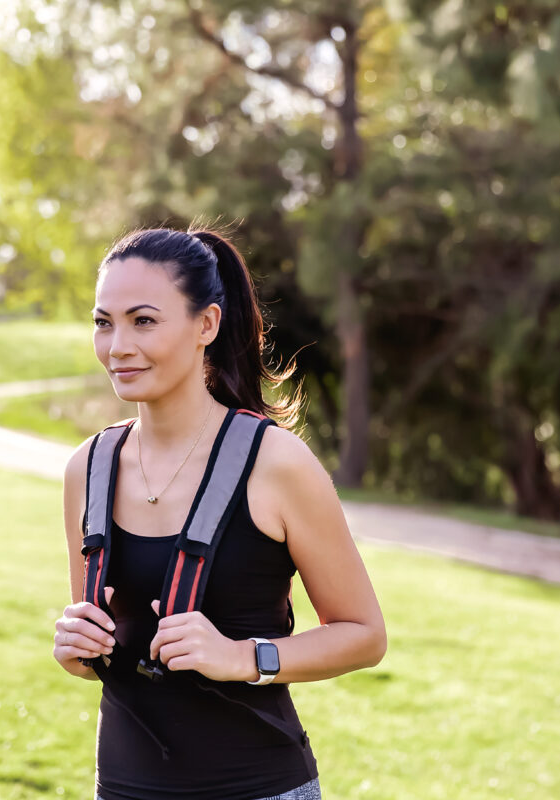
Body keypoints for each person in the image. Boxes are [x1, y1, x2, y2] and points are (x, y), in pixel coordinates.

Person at [54, 227, 387, 800]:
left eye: (144, 321)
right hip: (123, 788)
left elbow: (364, 635)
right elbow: (104, 648)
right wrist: (78, 651)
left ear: (206, 325)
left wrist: (241, 656)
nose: (118, 345)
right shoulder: (88, 468)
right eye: (103, 322)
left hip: (259, 787)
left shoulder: (277, 463)